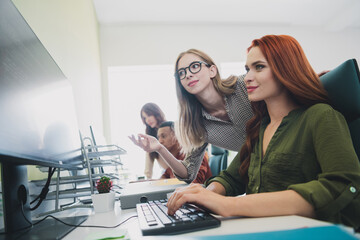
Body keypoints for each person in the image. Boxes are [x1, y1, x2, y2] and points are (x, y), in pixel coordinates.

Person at [165, 35, 360, 230]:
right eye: (247, 69)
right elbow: (232, 177)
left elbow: (342, 184)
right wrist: (205, 195)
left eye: (259, 67)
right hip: (265, 229)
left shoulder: (320, 116)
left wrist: (229, 205)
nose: (248, 77)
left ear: (286, 68)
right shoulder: (259, 128)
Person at [130, 49, 253, 183]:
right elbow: (188, 172)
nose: (188, 74)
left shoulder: (244, 85)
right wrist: (159, 148)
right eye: (181, 73)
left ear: (212, 70)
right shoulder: (196, 124)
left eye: (194, 66)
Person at [140, 103, 168, 179]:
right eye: (145, 118)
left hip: (179, 172)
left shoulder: (171, 128)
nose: (147, 120)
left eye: (149, 115)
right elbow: (148, 158)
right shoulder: (150, 136)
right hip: (167, 175)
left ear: (156, 113)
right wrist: (148, 177)